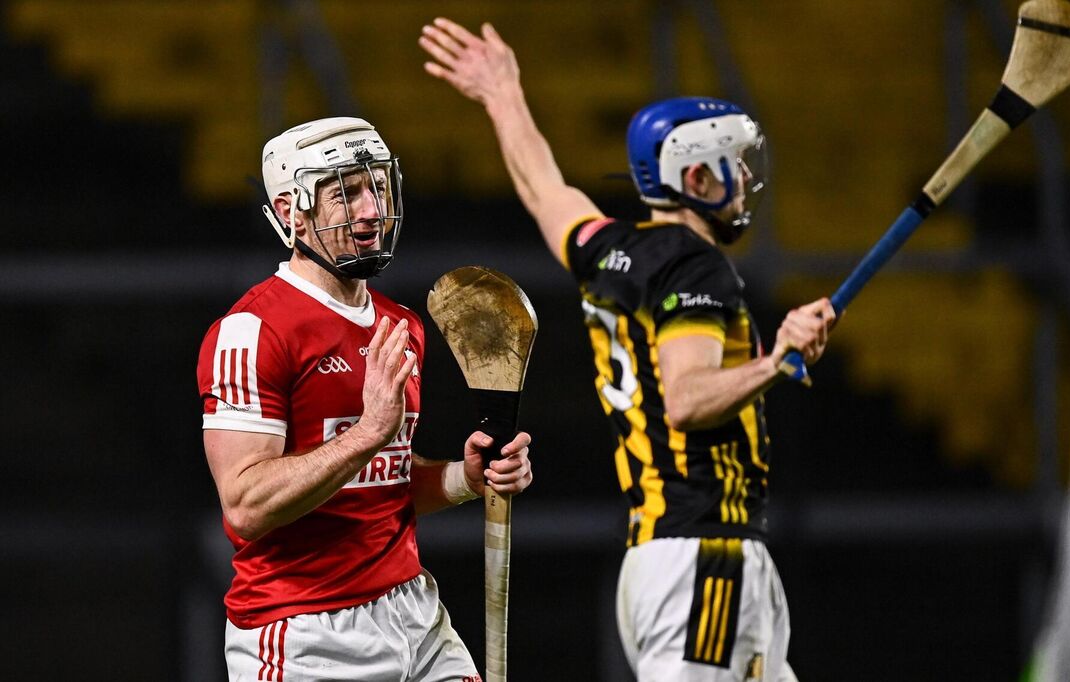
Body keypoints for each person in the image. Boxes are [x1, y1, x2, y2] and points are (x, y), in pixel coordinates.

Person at [420, 18, 835, 682]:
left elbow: (541, 189)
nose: (744, 183)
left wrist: (503, 94)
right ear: (696, 178)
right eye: (732, 168)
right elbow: (688, 398)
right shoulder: (696, 268)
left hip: (663, 559)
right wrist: (777, 357)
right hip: (703, 554)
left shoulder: (611, 252)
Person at [196, 116, 533, 681]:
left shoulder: (400, 323)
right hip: (306, 633)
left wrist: (465, 478)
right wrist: (369, 432)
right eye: (346, 193)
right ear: (289, 212)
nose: (372, 208)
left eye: (377, 186)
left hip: (415, 615)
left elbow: (380, 485)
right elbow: (246, 506)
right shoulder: (254, 330)